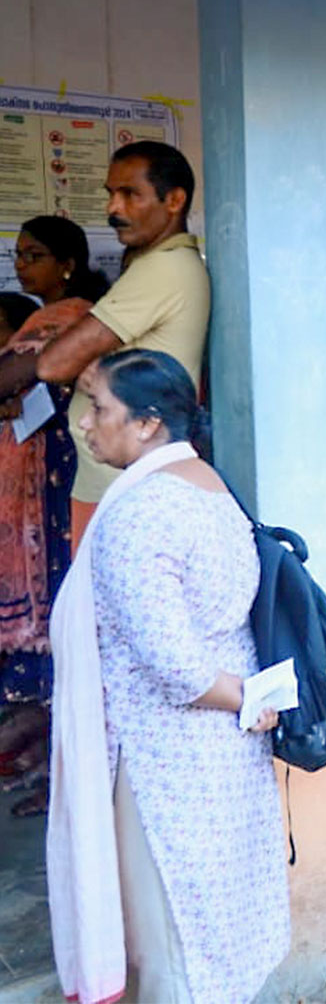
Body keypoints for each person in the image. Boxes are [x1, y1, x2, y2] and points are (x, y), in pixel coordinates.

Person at [50, 349, 288, 1004]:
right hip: (225, 749)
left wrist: (243, 700)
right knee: (213, 930)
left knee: (173, 943)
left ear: (149, 424)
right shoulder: (210, 484)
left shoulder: (142, 510)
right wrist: (249, 703)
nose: (85, 424)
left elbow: (175, 665)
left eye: (99, 408)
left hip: (166, 761)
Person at [0, 142, 210, 551]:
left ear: (174, 200)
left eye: (130, 194)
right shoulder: (156, 264)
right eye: (110, 193)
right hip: (113, 475)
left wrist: (75, 362)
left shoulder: (163, 269)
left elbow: (53, 364)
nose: (114, 208)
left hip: (124, 482)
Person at [0, 218, 109, 818]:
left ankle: (67, 771)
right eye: (18, 255)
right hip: (38, 480)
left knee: (65, 620)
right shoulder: (42, 318)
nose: (22, 265)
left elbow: (20, 382)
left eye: (34, 255)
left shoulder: (72, 318)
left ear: (67, 262)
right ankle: (48, 755)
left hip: (61, 481)